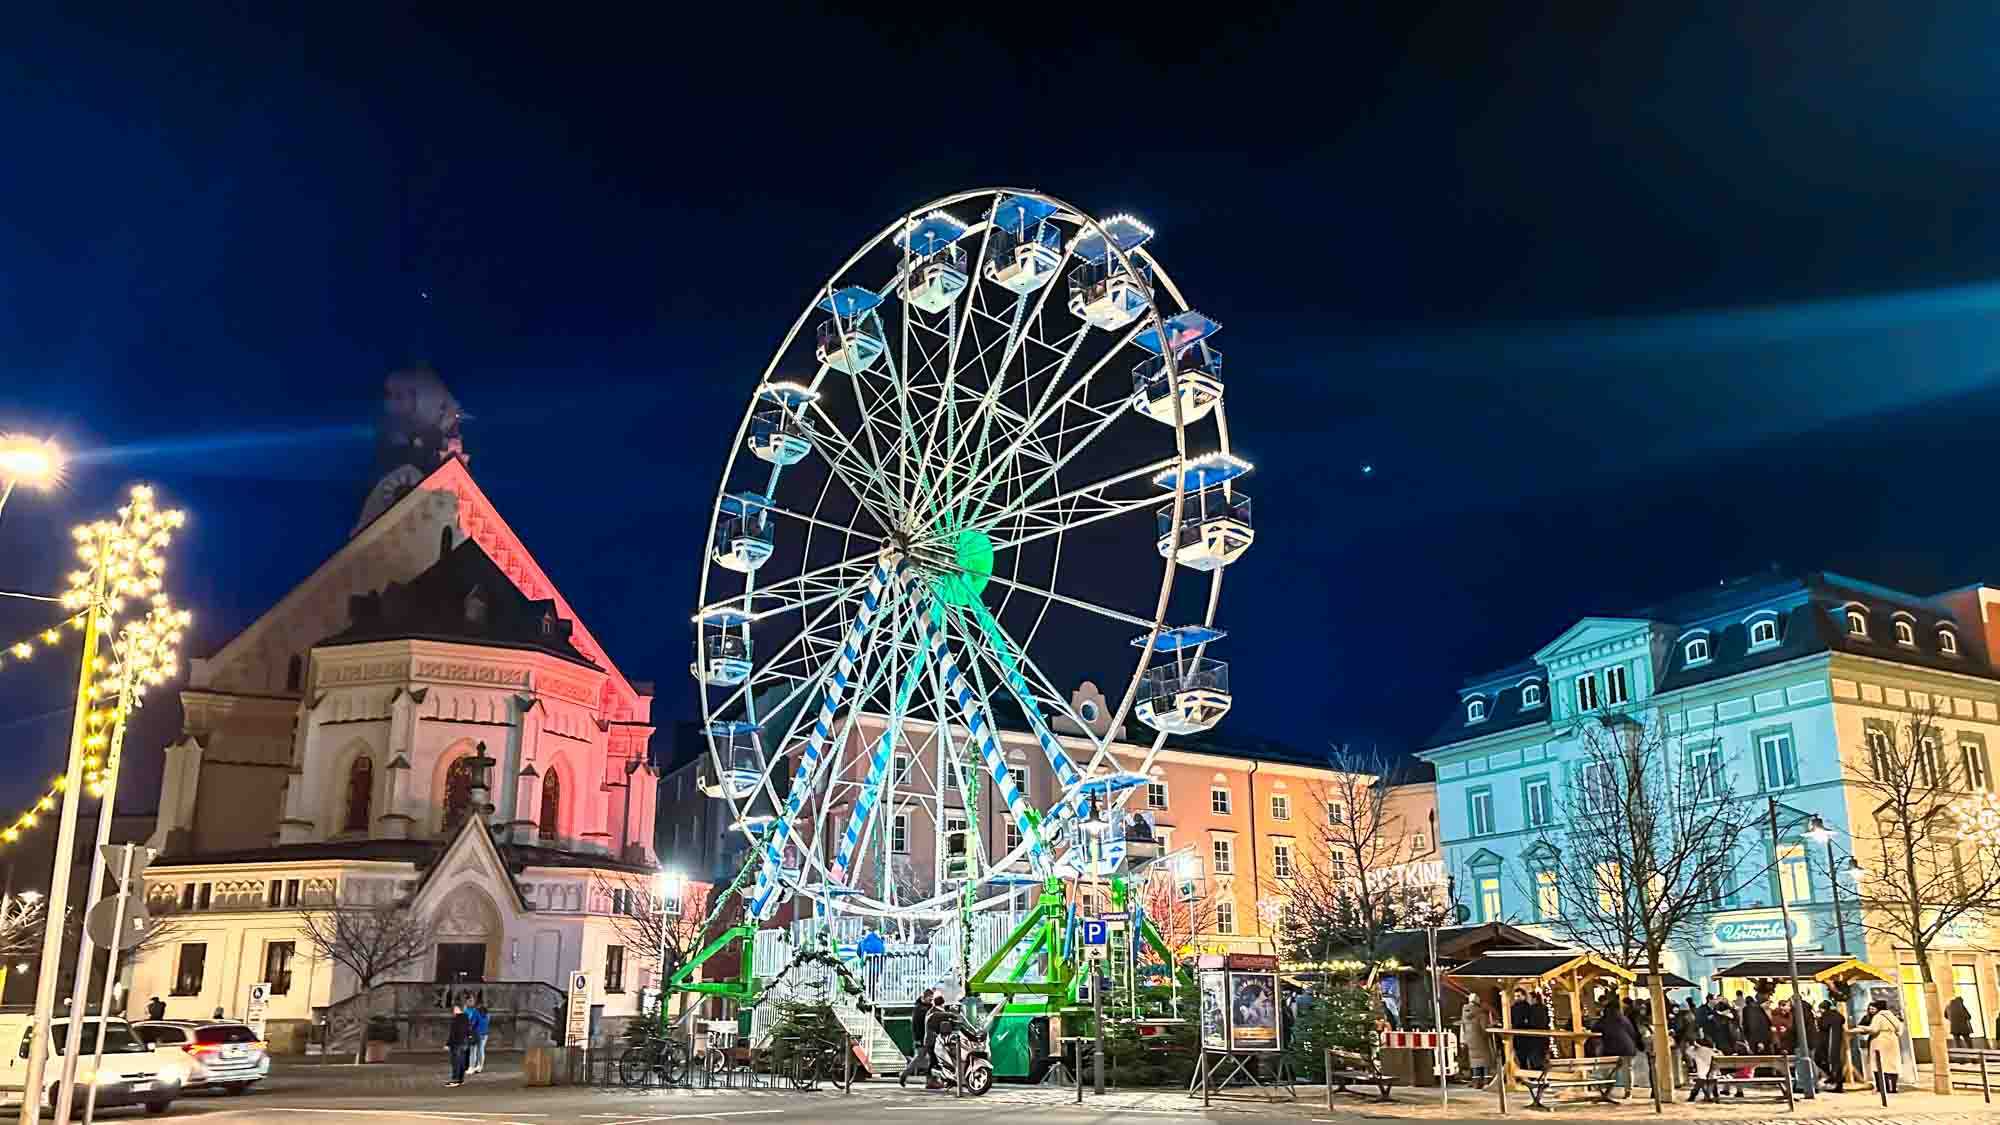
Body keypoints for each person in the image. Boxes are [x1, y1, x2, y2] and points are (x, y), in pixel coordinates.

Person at [1594, 1002, 1640, 1100]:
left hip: (1612, 1049)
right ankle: (1628, 1092)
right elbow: (1633, 1033)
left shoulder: (1604, 1020)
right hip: (1628, 1048)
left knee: (1607, 1069)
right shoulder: (1624, 1019)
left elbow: (1594, 1029)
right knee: (1627, 1070)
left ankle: (1606, 1090)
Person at [1861, 1001, 1904, 1094]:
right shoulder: (1891, 1016)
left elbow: (1874, 1029)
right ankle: (1893, 1088)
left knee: (1879, 1065)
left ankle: (1883, 1088)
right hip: (1892, 1041)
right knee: (1892, 1065)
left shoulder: (1878, 1016)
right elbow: (1900, 1028)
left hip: (1880, 1041)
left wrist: (1863, 1028)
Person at [1459, 994, 1492, 1088]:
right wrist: (1491, 1026)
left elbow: (1463, 1027)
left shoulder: (1464, 1013)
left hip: (1469, 1039)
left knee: (1474, 1060)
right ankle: (1486, 1082)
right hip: (1480, 1039)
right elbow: (1484, 1029)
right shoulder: (1481, 1014)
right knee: (1485, 1059)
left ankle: (1476, 1082)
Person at [1816, 999, 1845, 1092]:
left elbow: (1824, 1026)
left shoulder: (1826, 1016)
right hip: (1837, 1042)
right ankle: (1838, 1083)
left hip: (1828, 1043)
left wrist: (1818, 1019)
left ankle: (1833, 1080)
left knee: (1825, 1061)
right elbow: (1843, 1020)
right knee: (1836, 1062)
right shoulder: (1837, 1015)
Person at [1685, 1034, 1720, 1103]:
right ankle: (1715, 1096)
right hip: (1712, 1074)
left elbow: (1688, 1052)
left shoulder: (1698, 1050)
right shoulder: (1714, 1051)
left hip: (1703, 1074)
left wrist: (1695, 1046)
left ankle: (1695, 1096)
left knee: (1701, 1080)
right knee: (1711, 1078)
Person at [445, 1002, 472, 1087]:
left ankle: (455, 1080)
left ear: (457, 1009)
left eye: (454, 1009)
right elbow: (468, 1030)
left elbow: (453, 1033)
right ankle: (461, 1079)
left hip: (456, 1043)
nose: (453, 1010)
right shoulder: (466, 1018)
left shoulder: (456, 1019)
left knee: (455, 1062)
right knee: (462, 1061)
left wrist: (448, 1044)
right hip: (464, 1042)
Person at [467, 996, 490, 1075]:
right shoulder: (487, 1013)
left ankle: (471, 1068)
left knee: (473, 1050)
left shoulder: (476, 1012)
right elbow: (486, 1023)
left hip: (476, 1034)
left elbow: (472, 1023)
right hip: (485, 1034)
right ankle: (479, 1067)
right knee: (481, 1050)